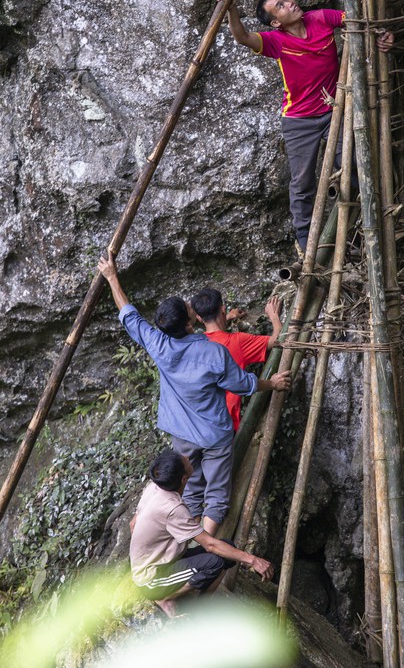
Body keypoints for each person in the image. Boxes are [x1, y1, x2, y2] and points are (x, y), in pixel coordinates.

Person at [98, 250, 291, 536]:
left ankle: (184, 539)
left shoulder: (158, 344)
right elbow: (244, 384)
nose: (192, 307)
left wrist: (112, 278)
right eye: (189, 309)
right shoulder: (214, 352)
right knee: (217, 494)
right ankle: (207, 546)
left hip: (182, 434)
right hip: (214, 435)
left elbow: (128, 315)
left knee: (190, 485)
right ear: (191, 323)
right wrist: (272, 384)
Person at [221, 0, 394, 254]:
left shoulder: (322, 18)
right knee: (302, 182)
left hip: (334, 111)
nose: (290, 3)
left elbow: (359, 22)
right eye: (281, 5)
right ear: (276, 22)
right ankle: (305, 242)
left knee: (352, 164)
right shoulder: (275, 41)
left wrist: (381, 33)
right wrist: (231, 9)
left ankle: (366, 222)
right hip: (299, 120)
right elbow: (242, 37)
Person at [130, 448, 274, 616]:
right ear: (184, 479)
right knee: (214, 563)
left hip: (167, 561)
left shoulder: (155, 487)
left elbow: (134, 524)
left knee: (227, 549)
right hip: (152, 579)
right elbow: (210, 544)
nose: (186, 456)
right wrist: (253, 560)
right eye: (185, 461)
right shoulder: (172, 508)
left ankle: (200, 606)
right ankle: (166, 597)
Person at [190, 288, 283, 432]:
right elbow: (278, 340)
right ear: (222, 308)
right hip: (227, 424)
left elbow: (213, 333)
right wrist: (274, 315)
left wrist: (226, 317)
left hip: (199, 423)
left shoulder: (194, 344)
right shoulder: (237, 342)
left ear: (199, 318)